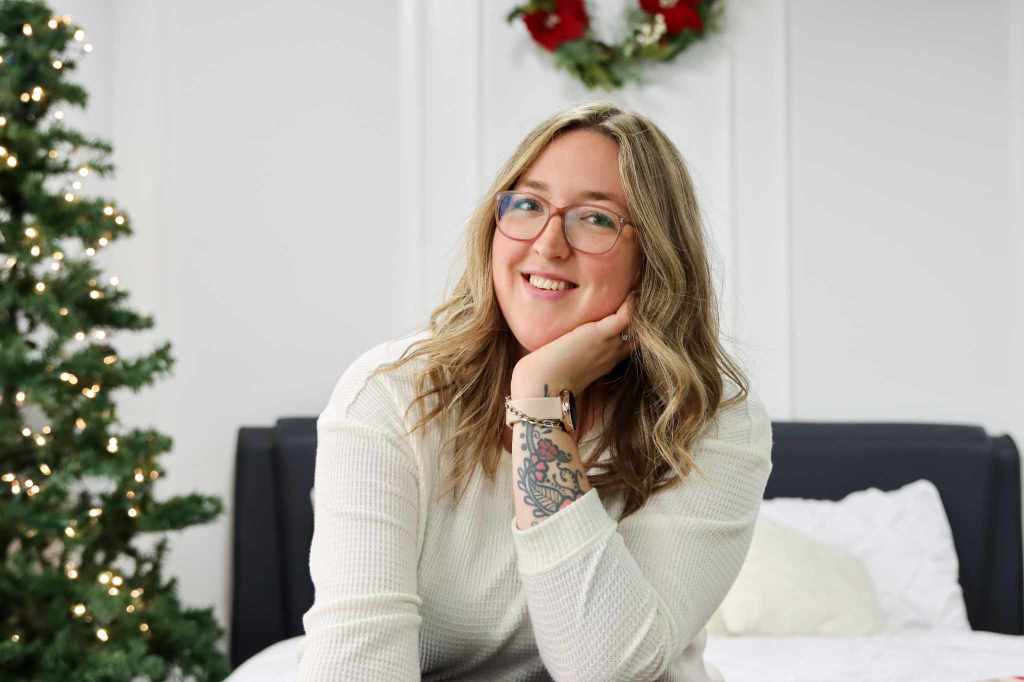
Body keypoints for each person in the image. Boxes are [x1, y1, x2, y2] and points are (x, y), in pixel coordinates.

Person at [297, 101, 773, 681]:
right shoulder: (391, 396)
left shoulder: (712, 418)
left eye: (595, 218)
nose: (548, 245)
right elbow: (356, 663)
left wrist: (539, 407)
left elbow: (606, 670)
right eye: (528, 205)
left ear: (655, 256)